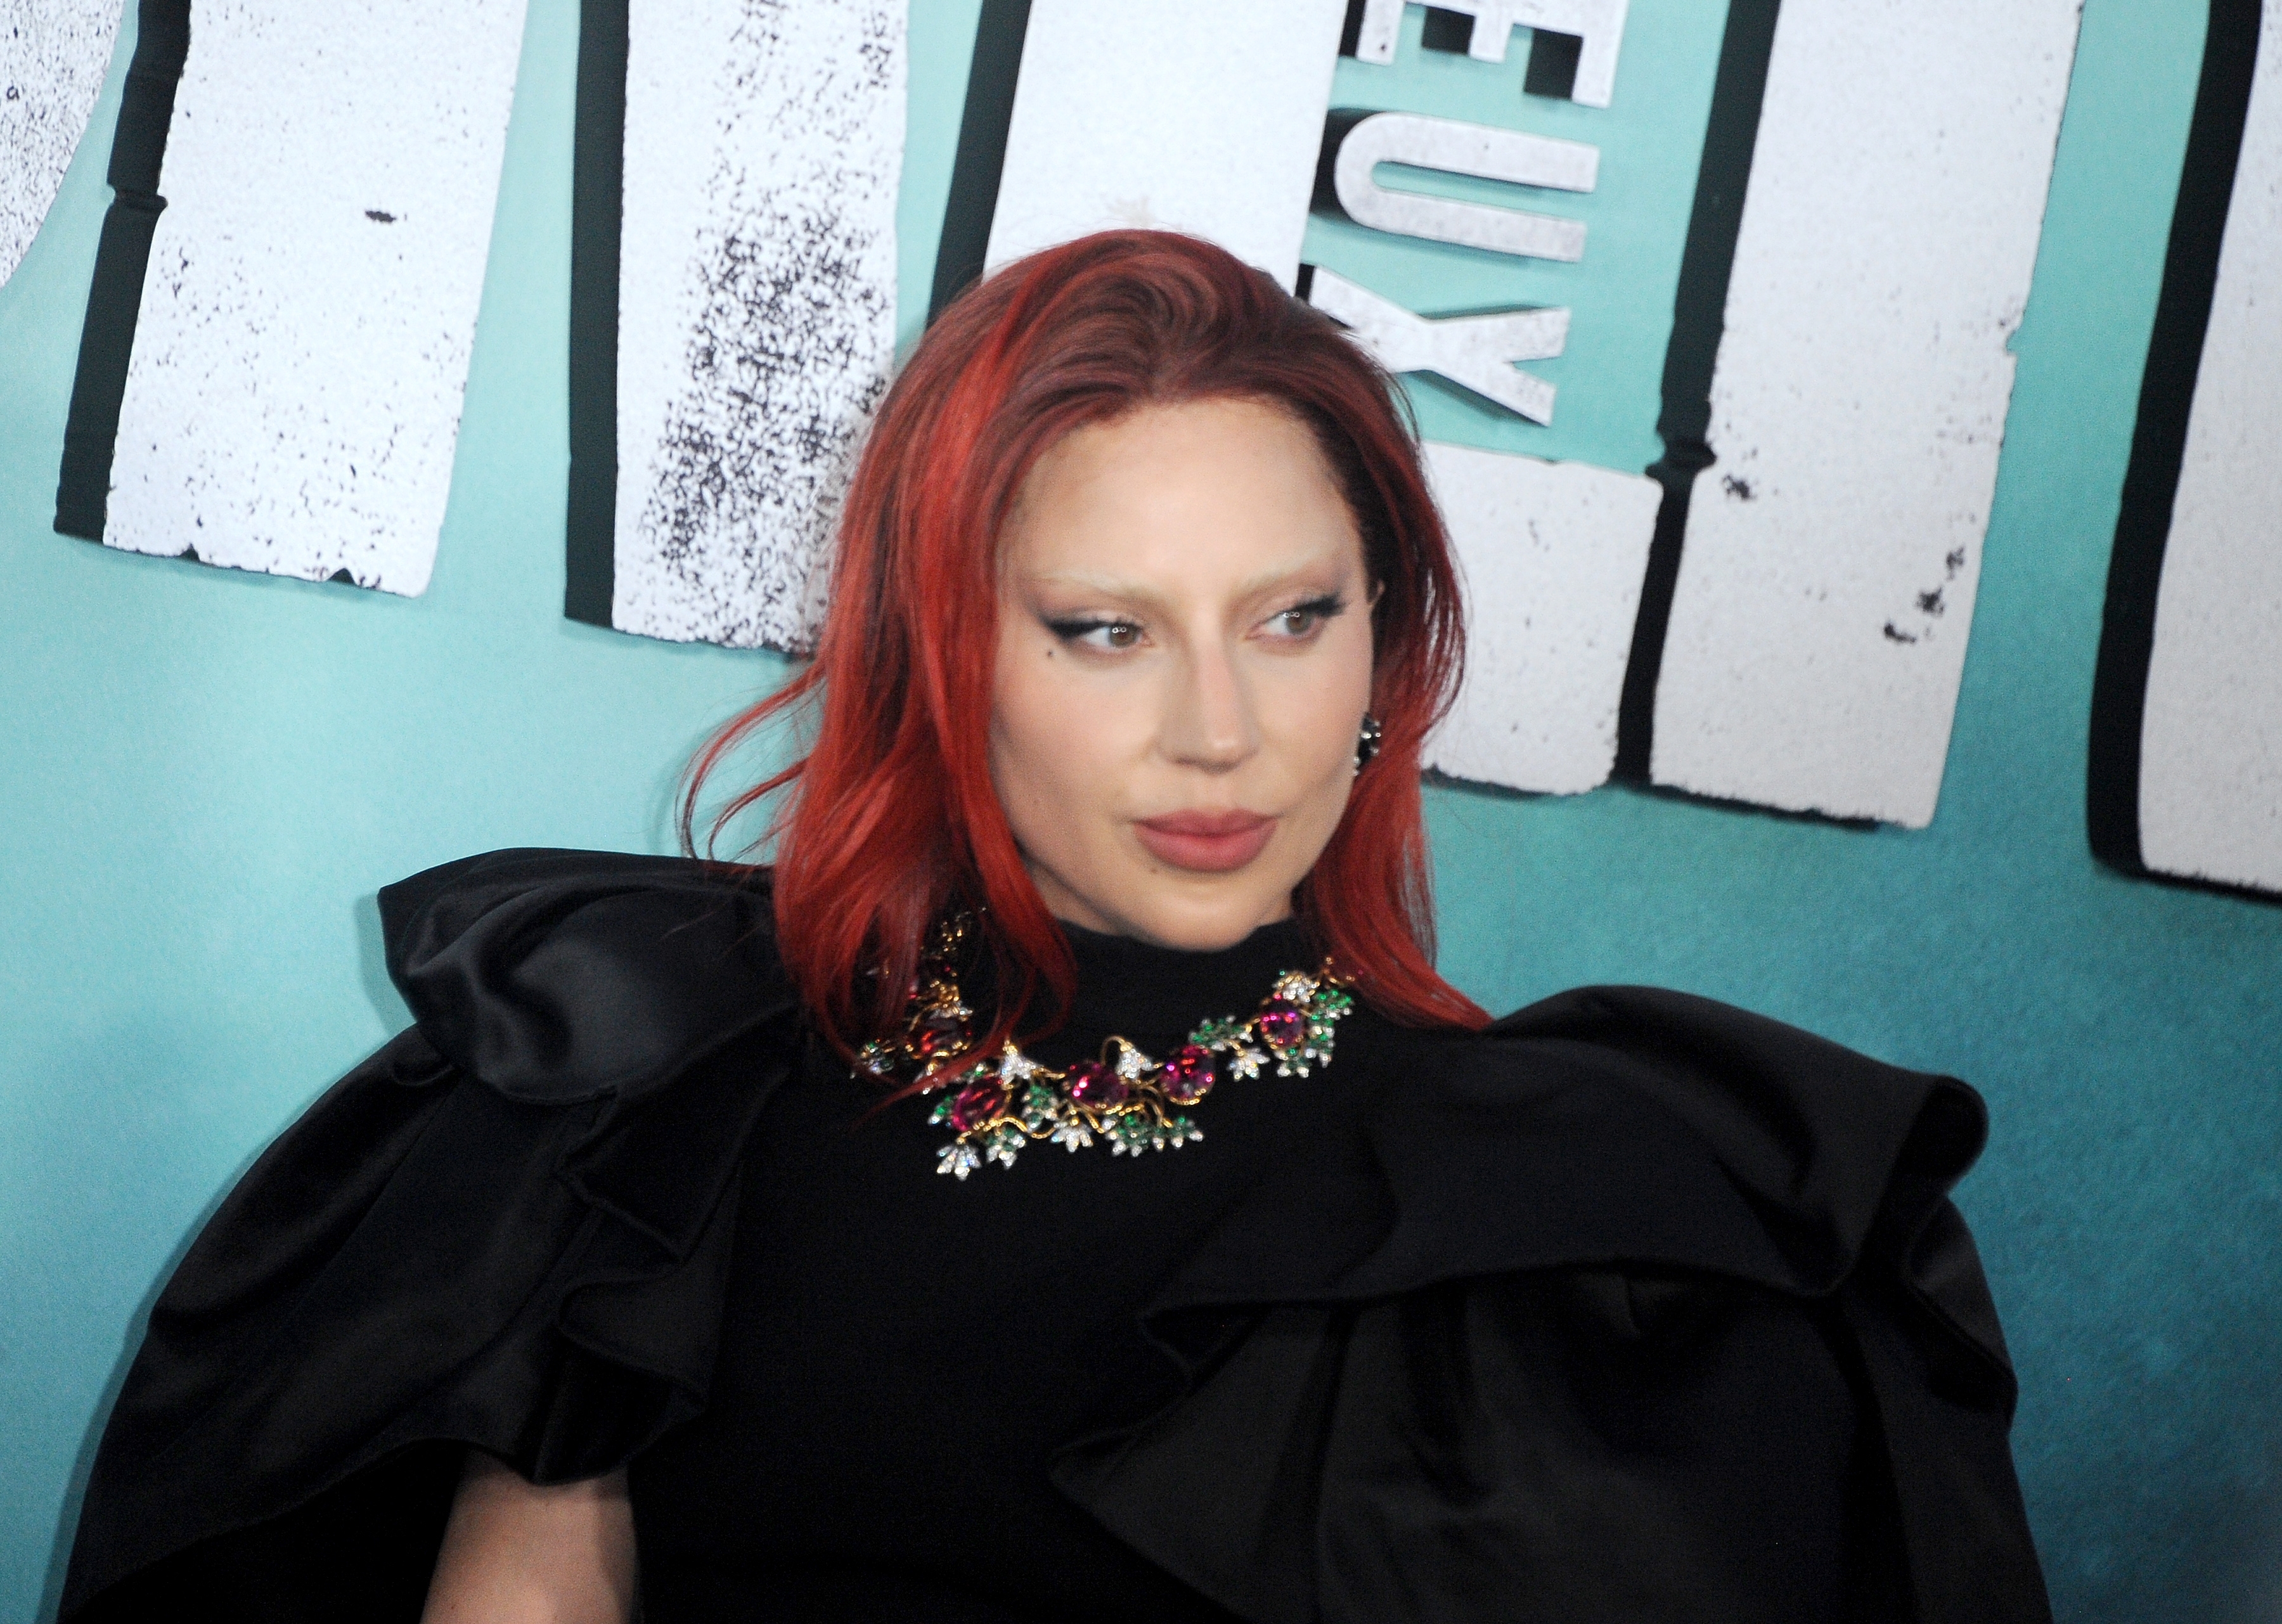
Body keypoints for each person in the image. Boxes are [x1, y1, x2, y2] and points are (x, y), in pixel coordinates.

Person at [60, 230, 2050, 1623]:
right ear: (945, 661)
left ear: (1385, 645)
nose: (1221, 728)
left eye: (1294, 617)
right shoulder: (651, 1099)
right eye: (1107, 631)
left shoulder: (1590, 1221)